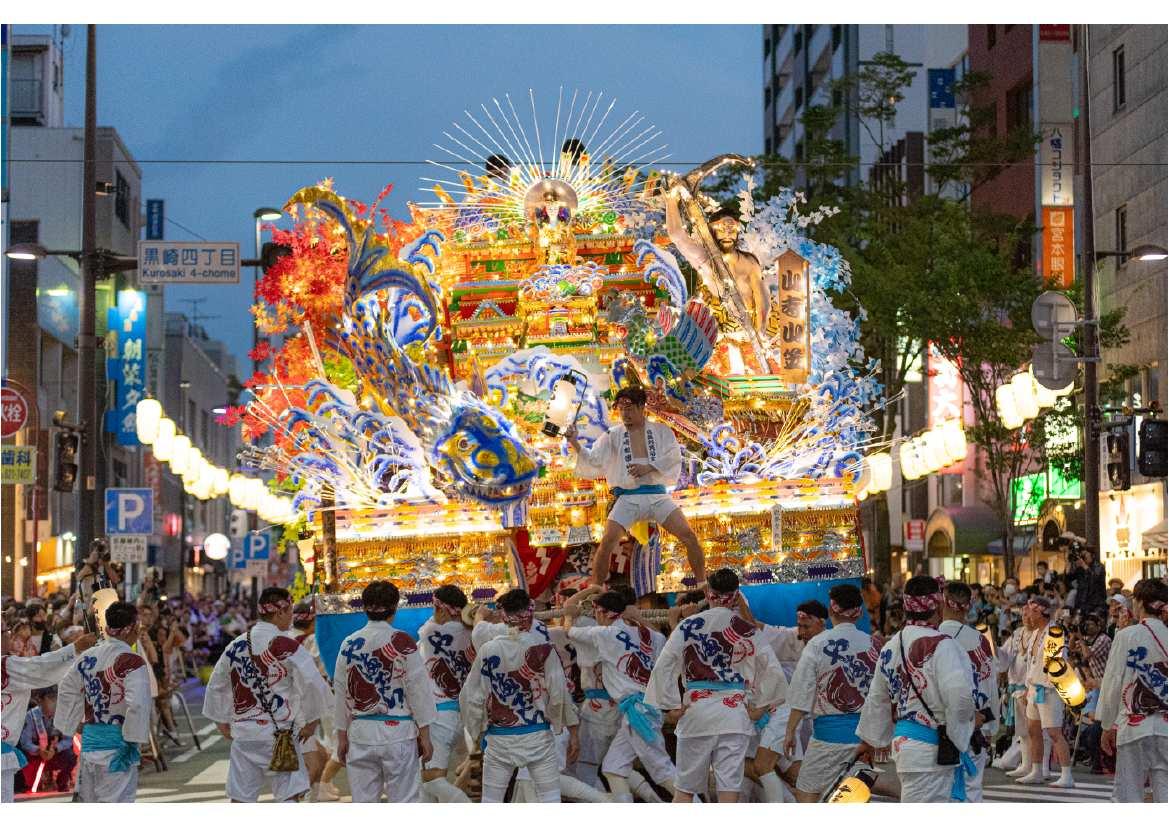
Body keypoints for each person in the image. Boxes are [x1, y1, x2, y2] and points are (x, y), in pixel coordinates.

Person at [644, 568, 787, 802]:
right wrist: (758, 708)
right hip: (734, 714)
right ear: (736, 595)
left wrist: (671, 706)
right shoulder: (747, 630)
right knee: (729, 791)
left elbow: (665, 664)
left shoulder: (688, 625)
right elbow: (773, 671)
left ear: (709, 593)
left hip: (697, 712)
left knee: (684, 790)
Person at [566, 384, 705, 587]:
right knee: (606, 543)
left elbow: (674, 457)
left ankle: (703, 584)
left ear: (642, 407)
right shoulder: (612, 435)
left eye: (629, 408)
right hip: (628, 498)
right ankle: (595, 589)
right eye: (621, 409)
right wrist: (574, 442)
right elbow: (594, 459)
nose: (625, 413)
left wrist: (649, 467)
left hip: (657, 496)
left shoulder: (661, 431)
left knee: (689, 536)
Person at [855, 575, 977, 803]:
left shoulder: (892, 645)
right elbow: (960, 698)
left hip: (905, 744)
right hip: (932, 748)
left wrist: (870, 740)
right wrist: (959, 733)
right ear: (938, 604)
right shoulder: (943, 644)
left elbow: (877, 699)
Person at [202, 587, 329, 803]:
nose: (291, 616)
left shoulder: (236, 645)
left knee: (241, 796)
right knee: (289, 793)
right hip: (280, 732)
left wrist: (220, 720)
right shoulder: (287, 645)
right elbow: (311, 682)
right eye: (289, 610)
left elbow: (217, 683)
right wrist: (312, 720)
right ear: (279, 611)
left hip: (245, 731)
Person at [459, 588, 579, 803]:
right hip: (538, 736)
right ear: (530, 613)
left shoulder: (488, 649)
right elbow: (559, 694)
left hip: (499, 737)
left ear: (503, 617)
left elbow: (470, 695)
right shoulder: (544, 648)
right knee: (550, 800)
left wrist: (478, 730)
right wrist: (570, 730)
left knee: (491, 801)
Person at [564, 588, 677, 801]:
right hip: (636, 709)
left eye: (597, 611)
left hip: (634, 710)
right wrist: (637, 617)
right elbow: (662, 639)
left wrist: (569, 614)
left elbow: (568, 631)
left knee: (662, 771)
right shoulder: (647, 634)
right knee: (613, 767)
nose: (595, 615)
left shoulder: (604, 633)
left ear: (604, 612)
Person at [333, 581, 435, 803]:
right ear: (395, 607)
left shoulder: (348, 644)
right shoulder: (403, 641)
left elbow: (341, 692)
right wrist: (425, 736)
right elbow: (418, 689)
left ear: (364, 607)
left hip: (360, 732)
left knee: (364, 803)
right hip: (398, 732)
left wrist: (341, 737)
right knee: (405, 802)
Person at [782, 584, 879, 802]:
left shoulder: (817, 644)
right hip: (864, 739)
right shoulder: (874, 644)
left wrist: (790, 731)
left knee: (806, 795)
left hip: (827, 739)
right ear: (860, 612)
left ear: (831, 610)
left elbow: (801, 693)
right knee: (851, 799)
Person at [56, 601, 152, 803]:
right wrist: (133, 739)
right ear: (130, 628)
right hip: (118, 745)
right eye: (138, 626)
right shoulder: (131, 661)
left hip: (90, 745)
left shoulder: (87, 656)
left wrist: (73, 724)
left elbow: (66, 687)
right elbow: (138, 704)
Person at [1, 623, 95, 802]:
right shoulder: (5, 666)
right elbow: (40, 667)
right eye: (5, 631)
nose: (10, 635)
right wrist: (74, 649)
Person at [1097, 578, 1167, 802]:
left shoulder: (1127, 635)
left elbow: (1113, 683)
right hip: (1166, 726)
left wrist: (1107, 724)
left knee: (1129, 793)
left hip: (1135, 725)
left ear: (1139, 604)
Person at [939, 581, 998, 801]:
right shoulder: (980, 640)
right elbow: (990, 684)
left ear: (943, 602)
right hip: (976, 724)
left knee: (940, 792)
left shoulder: (931, 637)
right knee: (972, 789)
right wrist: (992, 725)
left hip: (938, 726)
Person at [416, 585, 474, 802]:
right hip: (464, 716)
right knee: (424, 784)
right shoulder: (473, 632)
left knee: (432, 780)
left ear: (440, 609)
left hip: (439, 716)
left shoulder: (431, 631)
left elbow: (425, 628)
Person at [1016, 595, 1075, 788]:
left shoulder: (1054, 632)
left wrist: (1045, 686)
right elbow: (1031, 663)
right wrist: (1027, 688)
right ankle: (1036, 771)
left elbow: (1057, 663)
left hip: (1049, 689)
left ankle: (1067, 774)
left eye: (1032, 611)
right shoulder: (1034, 633)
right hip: (1034, 687)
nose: (1028, 616)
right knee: (1033, 730)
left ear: (1042, 612)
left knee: (1054, 732)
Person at [19, 688, 77, 793]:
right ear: (40, 700)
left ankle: (62, 781)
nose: (54, 702)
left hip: (54, 752)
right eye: (50, 698)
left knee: (71, 756)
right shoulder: (31, 716)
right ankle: (32, 782)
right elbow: (25, 742)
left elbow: (68, 740)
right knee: (23, 756)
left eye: (56, 698)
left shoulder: (62, 715)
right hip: (37, 754)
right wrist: (38, 750)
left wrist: (55, 748)